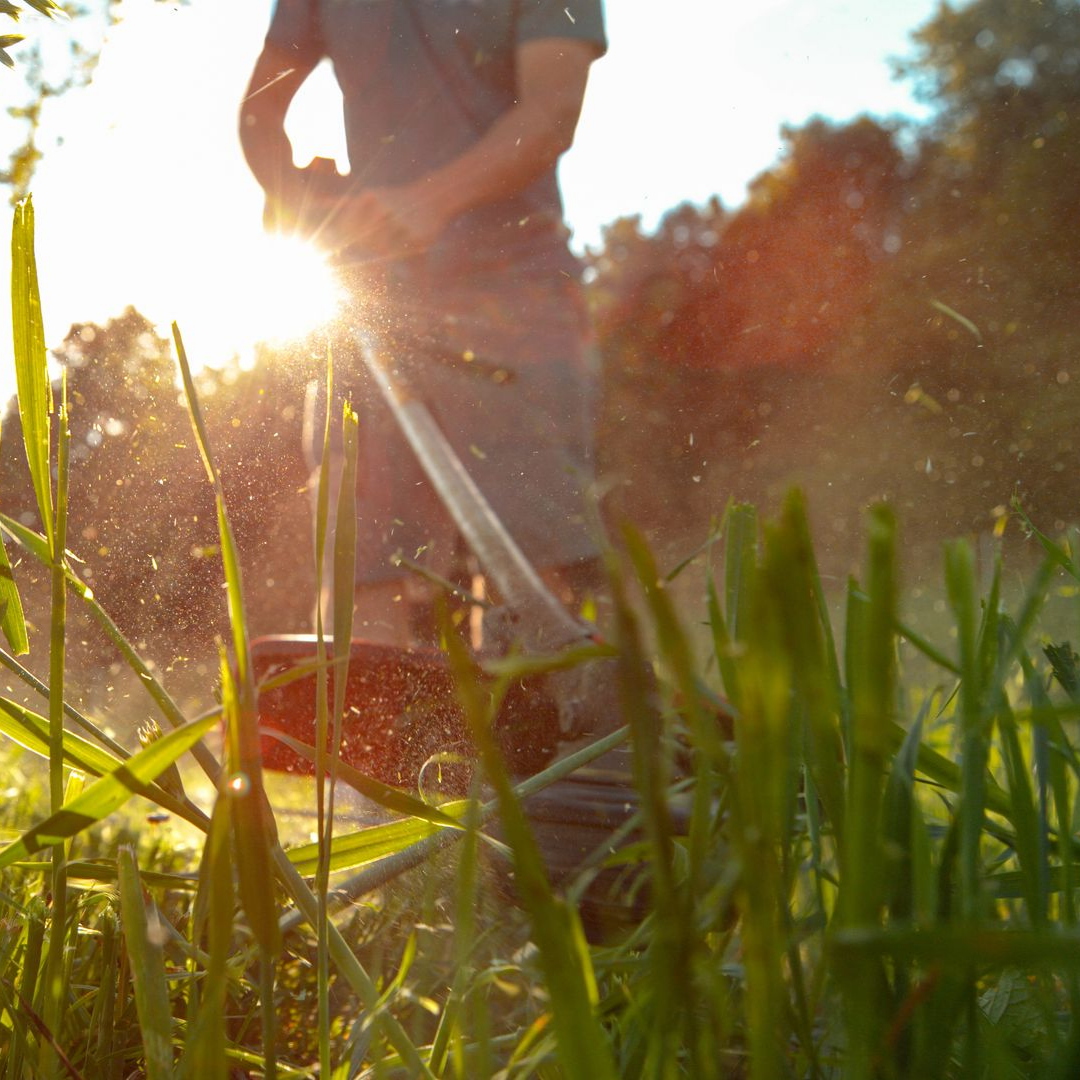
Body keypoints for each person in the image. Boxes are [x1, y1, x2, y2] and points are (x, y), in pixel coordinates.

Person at [240, 0, 607, 648]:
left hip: (514, 281)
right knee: (361, 532)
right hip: (373, 280)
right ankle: (367, 727)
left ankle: (541, 722)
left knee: (532, 530)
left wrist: (431, 200)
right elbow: (259, 112)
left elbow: (552, 112)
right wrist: (293, 195)